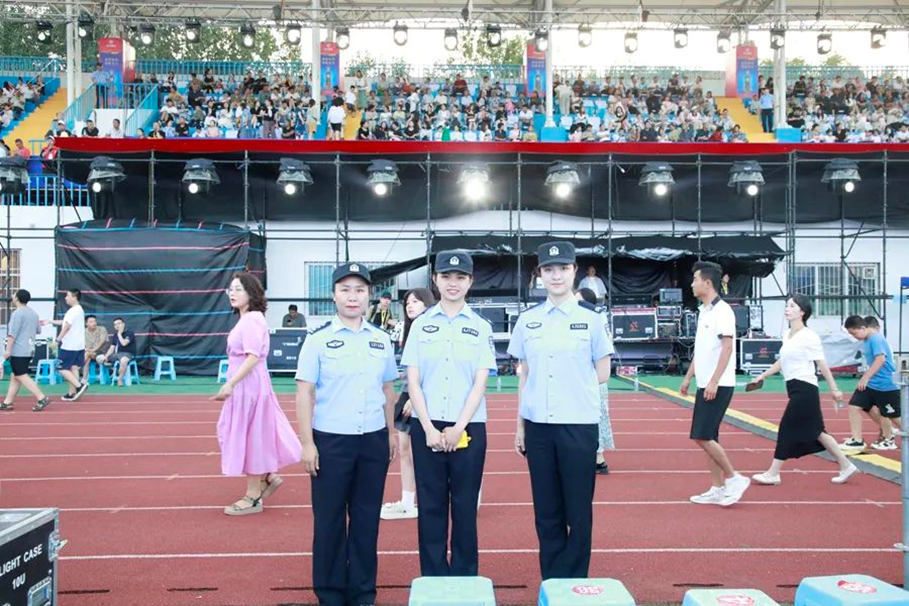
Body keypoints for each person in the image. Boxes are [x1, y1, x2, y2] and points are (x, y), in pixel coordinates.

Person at [508, 242, 613, 580]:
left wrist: (570, 389)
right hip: (538, 427)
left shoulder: (591, 319)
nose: (556, 276)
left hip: (578, 425)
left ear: (574, 271)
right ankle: (552, 580)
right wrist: (520, 426)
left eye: (563, 269)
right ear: (540, 274)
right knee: (546, 510)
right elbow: (524, 375)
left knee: (578, 511)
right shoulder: (528, 321)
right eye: (549, 269)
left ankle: (574, 582)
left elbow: (603, 372)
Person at [295, 262, 398, 606]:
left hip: (372, 440)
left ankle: (363, 591)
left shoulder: (381, 340)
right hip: (331, 442)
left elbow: (388, 390)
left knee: (367, 520)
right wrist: (307, 443)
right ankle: (330, 593)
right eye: (345, 290)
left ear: (369, 296)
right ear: (334, 295)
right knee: (329, 521)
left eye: (359, 290)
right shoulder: (318, 339)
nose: (353, 297)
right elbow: (304, 392)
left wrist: (391, 434)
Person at [401, 251, 496, 576]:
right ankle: (434, 576)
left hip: (469, 426)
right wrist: (428, 428)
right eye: (446, 277)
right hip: (426, 425)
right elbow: (413, 381)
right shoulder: (420, 325)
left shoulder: (481, 327)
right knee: (431, 505)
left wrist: (459, 427)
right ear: (435, 280)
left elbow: (480, 383)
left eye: (460, 277)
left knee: (465, 506)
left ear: (470, 282)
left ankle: (465, 575)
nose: (453, 283)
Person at [214, 272, 302, 516]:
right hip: (247, 385)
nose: (232, 293)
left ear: (251, 293)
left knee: (250, 436)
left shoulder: (252, 320)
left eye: (238, 289)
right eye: (230, 289)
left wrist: (231, 383)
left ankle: (253, 496)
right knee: (243, 432)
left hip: (248, 387)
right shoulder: (247, 319)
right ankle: (266, 476)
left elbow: (253, 356)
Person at [747, 295, 858, 485]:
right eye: (787, 305)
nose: (787, 309)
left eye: (792, 306)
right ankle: (846, 465)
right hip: (793, 387)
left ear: (802, 312)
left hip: (805, 389)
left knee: (786, 428)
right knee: (818, 432)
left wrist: (835, 389)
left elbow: (821, 364)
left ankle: (773, 473)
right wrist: (762, 376)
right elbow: (782, 361)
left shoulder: (809, 336)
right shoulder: (787, 334)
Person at [679, 261, 750, 507]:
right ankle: (717, 488)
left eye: (695, 280)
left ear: (707, 283)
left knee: (701, 436)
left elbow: (727, 348)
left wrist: (714, 381)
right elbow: (702, 350)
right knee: (710, 438)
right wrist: (689, 377)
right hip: (705, 382)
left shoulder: (723, 312)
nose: (692, 284)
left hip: (718, 384)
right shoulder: (704, 311)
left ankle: (734, 478)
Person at [382, 287, 436, 521]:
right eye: (407, 303)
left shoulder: (433, 329)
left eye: (415, 301)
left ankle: (439, 499)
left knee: (427, 451)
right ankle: (407, 502)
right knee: (405, 449)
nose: (410, 306)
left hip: (427, 395)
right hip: (408, 392)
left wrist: (415, 399)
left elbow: (434, 369)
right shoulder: (409, 329)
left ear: (427, 303)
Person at [841, 315, 901, 452]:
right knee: (854, 406)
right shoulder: (867, 339)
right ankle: (857, 440)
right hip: (872, 384)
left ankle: (889, 437)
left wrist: (865, 378)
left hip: (885, 385)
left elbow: (881, 360)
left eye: (854, 333)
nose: (854, 337)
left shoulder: (876, 339)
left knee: (893, 416)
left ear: (863, 328)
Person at [575, 287, 614, 475]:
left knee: (594, 417)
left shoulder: (595, 319)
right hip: (584, 376)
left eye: (579, 301)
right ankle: (595, 457)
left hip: (593, 377)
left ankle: (598, 458)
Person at [0, 289, 50, 412]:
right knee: (15, 375)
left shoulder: (17, 314)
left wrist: (7, 350)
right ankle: (7, 402)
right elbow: (38, 330)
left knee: (20, 374)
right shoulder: (33, 313)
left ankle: (41, 397)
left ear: (17, 298)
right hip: (30, 349)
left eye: (14, 294)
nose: (12, 296)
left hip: (19, 350)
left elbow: (12, 334)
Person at [43, 289, 88, 401]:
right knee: (73, 368)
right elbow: (65, 323)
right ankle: (72, 393)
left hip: (70, 345)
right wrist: (50, 321)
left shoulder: (72, 311)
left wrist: (57, 341)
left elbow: (67, 327)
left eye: (68, 296)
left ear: (74, 297)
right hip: (79, 345)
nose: (66, 298)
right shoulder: (79, 310)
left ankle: (79, 386)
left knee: (61, 368)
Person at [98, 317, 137, 387]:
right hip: (117, 354)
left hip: (128, 354)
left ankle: (120, 379)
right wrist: (106, 356)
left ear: (123, 324)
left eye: (119, 323)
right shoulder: (115, 335)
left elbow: (124, 343)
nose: (117, 326)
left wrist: (119, 334)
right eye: (115, 324)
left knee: (123, 361)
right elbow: (112, 347)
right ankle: (111, 373)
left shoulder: (130, 333)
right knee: (100, 358)